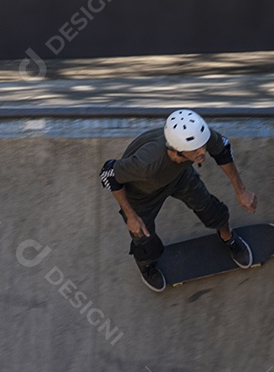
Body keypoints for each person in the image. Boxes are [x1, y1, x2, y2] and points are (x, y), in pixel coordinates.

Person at [100, 110, 258, 291]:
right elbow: (107, 174)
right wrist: (130, 215)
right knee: (143, 239)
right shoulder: (146, 163)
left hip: (179, 177)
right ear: (176, 151)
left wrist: (241, 191)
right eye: (196, 149)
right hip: (141, 195)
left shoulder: (198, 136)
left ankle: (228, 238)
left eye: (202, 145)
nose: (203, 151)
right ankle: (147, 265)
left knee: (209, 207)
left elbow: (222, 150)